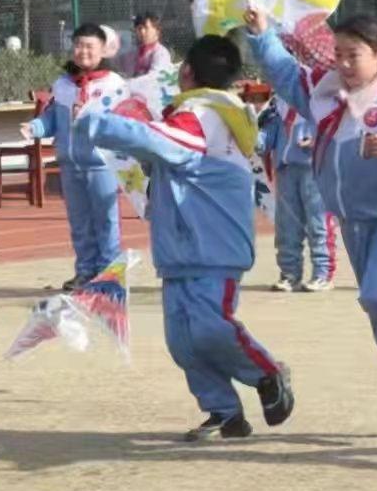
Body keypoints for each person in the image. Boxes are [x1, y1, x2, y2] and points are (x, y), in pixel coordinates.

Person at [79, 35, 295, 442]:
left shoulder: (204, 114)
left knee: (210, 327)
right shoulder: (208, 112)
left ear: (188, 73)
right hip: (182, 246)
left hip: (212, 245)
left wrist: (99, 120)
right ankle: (224, 411)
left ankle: (266, 372)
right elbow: (162, 154)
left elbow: (156, 141)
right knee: (182, 341)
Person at [248, 8, 377, 438]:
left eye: (352, 55)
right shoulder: (323, 92)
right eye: (336, 53)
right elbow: (286, 73)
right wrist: (261, 34)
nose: (341, 64)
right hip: (352, 221)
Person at [23, 24, 130, 291]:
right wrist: (35, 127)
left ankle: (110, 276)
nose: (82, 52)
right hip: (71, 163)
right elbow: (51, 118)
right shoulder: (63, 85)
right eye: (78, 45)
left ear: (103, 50)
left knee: (106, 220)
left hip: (101, 163)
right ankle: (85, 271)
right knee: (80, 222)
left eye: (89, 47)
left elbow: (125, 122)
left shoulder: (114, 84)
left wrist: (92, 116)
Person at [257, 98, 336, 292]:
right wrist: (250, 135)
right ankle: (290, 274)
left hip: (315, 168)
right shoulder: (278, 107)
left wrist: (319, 141)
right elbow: (265, 139)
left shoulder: (321, 99)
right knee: (287, 226)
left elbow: (337, 131)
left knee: (318, 223)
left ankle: (322, 273)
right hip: (286, 170)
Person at [130, 13, 173, 78]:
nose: (142, 31)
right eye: (139, 28)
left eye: (146, 28)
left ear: (157, 31)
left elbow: (153, 79)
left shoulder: (161, 54)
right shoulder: (135, 52)